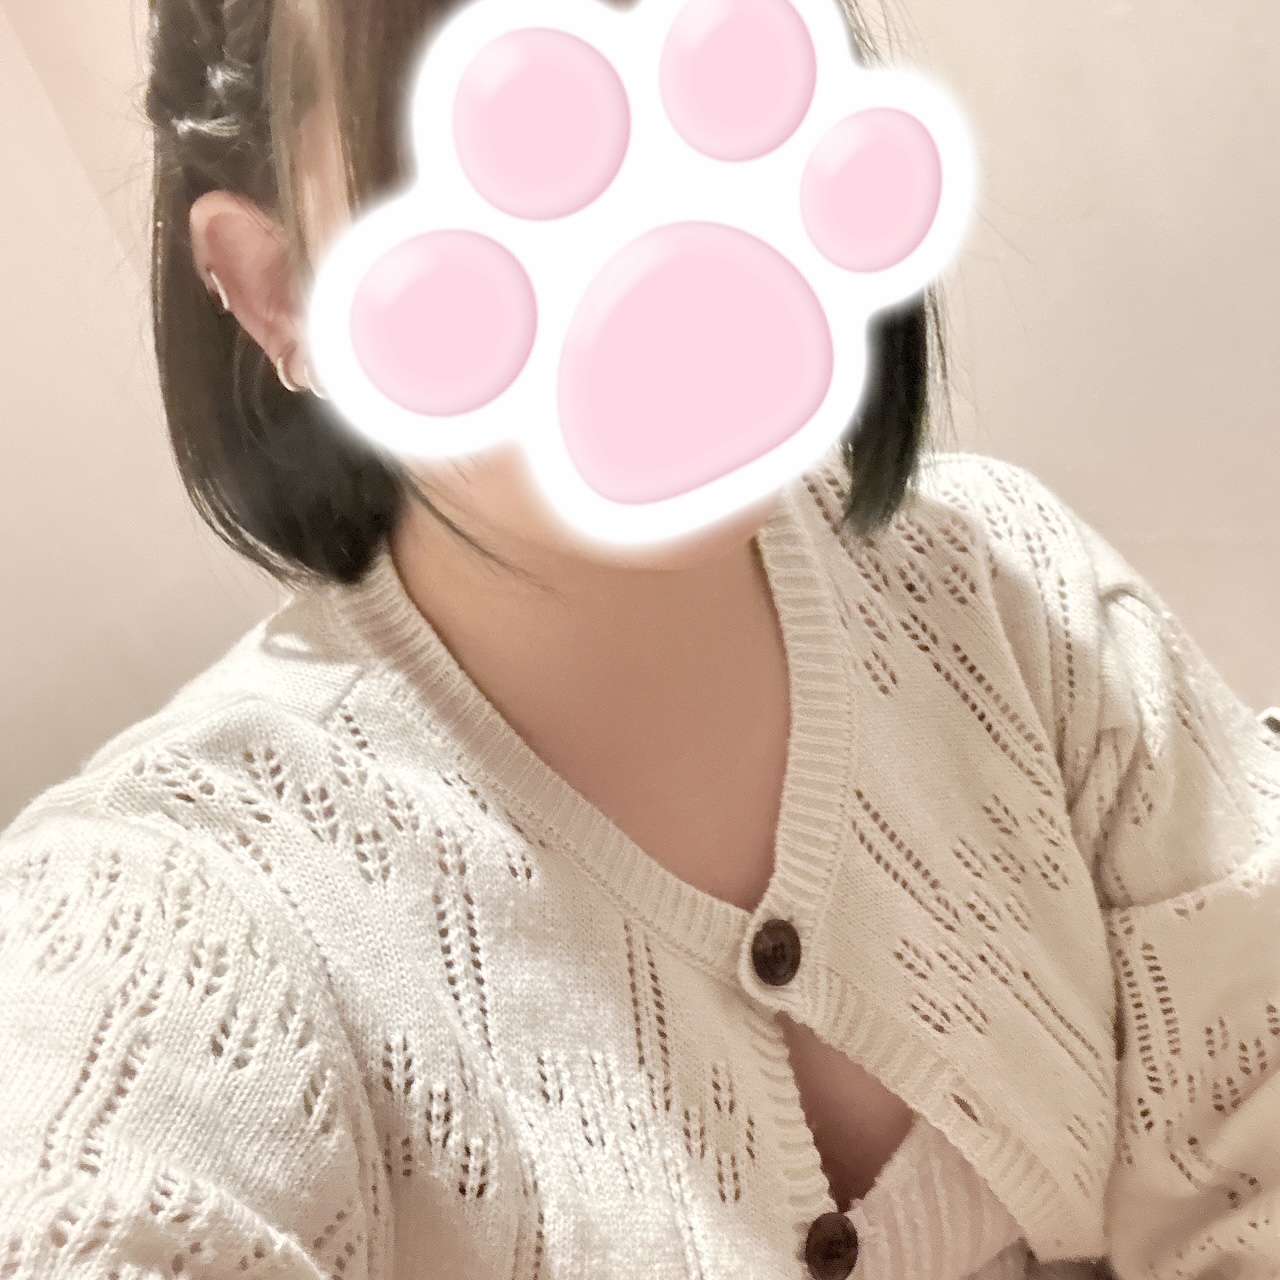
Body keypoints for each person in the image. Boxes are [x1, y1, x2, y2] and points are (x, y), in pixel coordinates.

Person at [2, 0, 1278, 1277]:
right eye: (508, 137)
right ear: (279, 287)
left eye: (731, 82)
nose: (674, 238)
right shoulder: (176, 902)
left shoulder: (1012, 597)